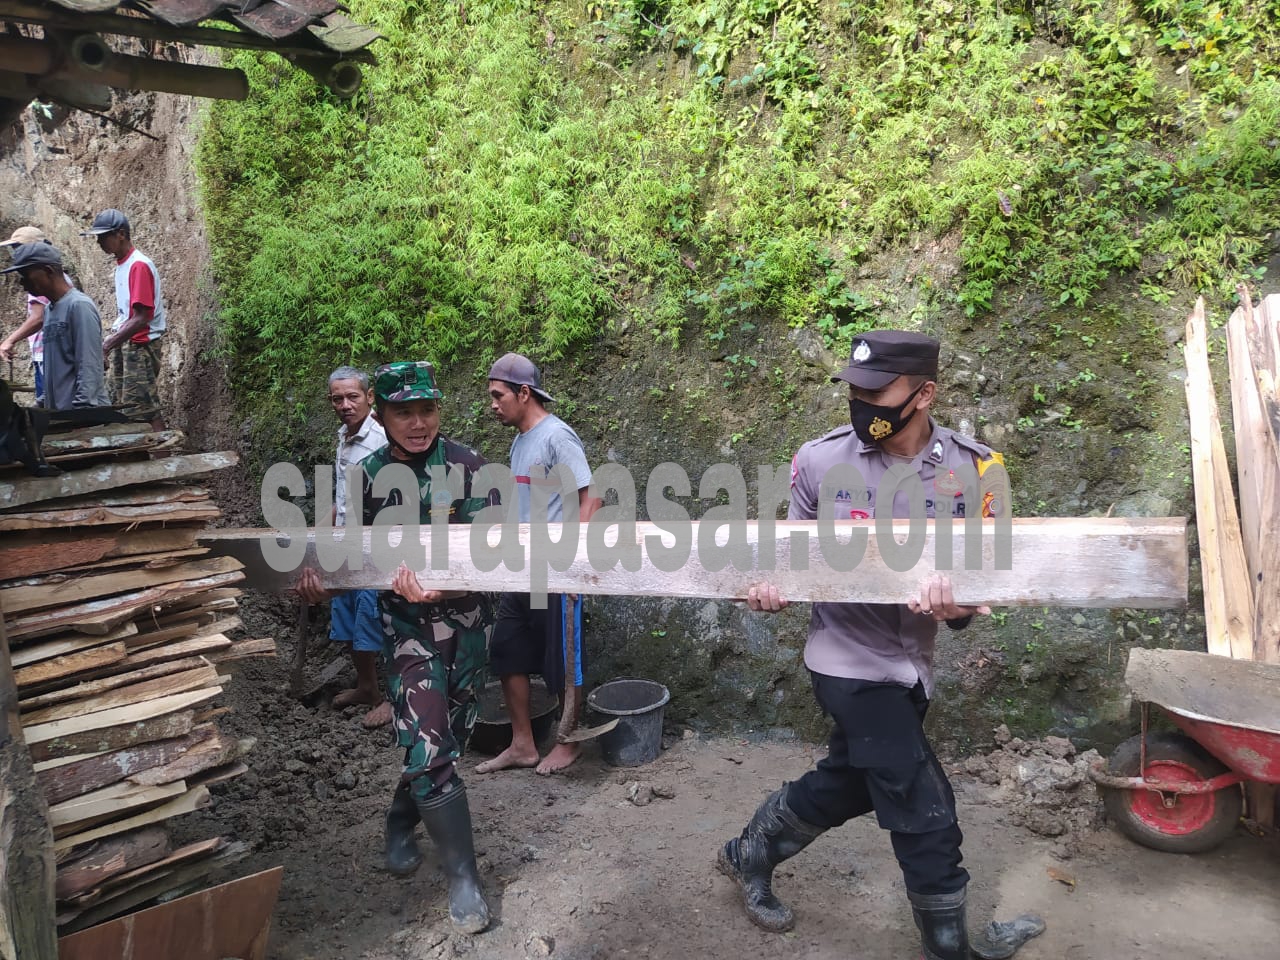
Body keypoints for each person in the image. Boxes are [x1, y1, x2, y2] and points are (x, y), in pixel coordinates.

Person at [718, 330, 1042, 960]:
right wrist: (766, 588)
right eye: (854, 389)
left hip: (911, 668)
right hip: (846, 661)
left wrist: (958, 609)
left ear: (925, 394)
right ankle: (951, 949)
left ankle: (747, 852)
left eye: (876, 390)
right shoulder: (819, 462)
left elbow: (980, 592)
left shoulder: (978, 471)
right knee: (922, 802)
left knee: (852, 781)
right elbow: (791, 560)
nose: (860, 401)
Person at [296, 361, 498, 935]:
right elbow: (343, 553)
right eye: (403, 412)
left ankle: (398, 818)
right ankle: (464, 878)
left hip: (468, 628)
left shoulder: (470, 467)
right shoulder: (366, 479)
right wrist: (320, 579)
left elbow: (495, 554)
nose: (417, 422)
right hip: (408, 632)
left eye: (426, 410)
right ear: (381, 416)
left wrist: (449, 584)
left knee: (445, 740)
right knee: (430, 746)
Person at [475, 353, 601, 776]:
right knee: (508, 651)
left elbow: (592, 496)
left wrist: (573, 558)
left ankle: (566, 742)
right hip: (521, 569)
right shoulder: (520, 441)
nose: (492, 404)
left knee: (561, 661)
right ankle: (523, 744)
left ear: (523, 393)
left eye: (498, 395)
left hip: (557, 569)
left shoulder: (556, 437)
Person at [324, 365, 391, 727]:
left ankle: (391, 696)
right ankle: (367, 687)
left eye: (353, 396)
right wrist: (323, 527)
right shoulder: (344, 437)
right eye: (338, 398)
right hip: (344, 541)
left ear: (369, 397)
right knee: (347, 613)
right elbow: (344, 495)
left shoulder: (380, 440)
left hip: (373, 545)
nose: (346, 404)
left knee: (370, 615)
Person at [82, 209, 167, 430]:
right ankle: (140, 455)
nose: (99, 242)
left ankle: (165, 460)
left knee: (144, 408)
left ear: (121, 234)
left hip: (139, 345)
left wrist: (107, 345)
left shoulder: (137, 265)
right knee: (122, 404)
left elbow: (141, 317)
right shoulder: (123, 265)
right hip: (128, 343)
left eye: (103, 236)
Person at [1, 243, 107, 410]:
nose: (22, 283)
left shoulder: (79, 306)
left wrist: (83, 410)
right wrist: (41, 404)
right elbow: (57, 370)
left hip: (81, 412)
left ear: (48, 271)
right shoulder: (50, 311)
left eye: (26, 274)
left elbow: (89, 364)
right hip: (61, 411)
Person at [0, 226, 55, 404]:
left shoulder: (40, 280)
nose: (14, 253)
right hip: (44, 353)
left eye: (18, 247)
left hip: (47, 354)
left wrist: (10, 340)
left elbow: (38, 317)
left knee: (49, 407)